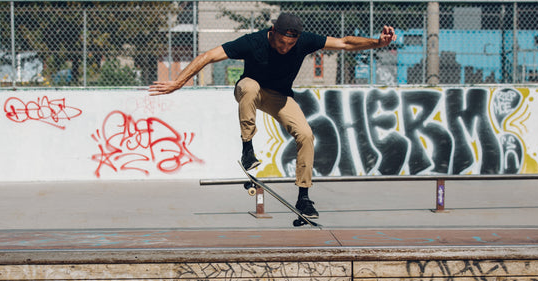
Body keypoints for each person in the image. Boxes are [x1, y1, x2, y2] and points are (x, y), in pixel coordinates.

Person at [149, 12, 396, 219]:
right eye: (281, 42)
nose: (285, 48)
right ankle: (248, 149)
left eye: (290, 45)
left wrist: (378, 43)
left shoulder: (304, 41)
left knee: (306, 135)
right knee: (249, 86)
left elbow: (344, 43)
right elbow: (208, 56)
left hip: (280, 97)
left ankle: (304, 197)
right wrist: (178, 82)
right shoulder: (253, 42)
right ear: (272, 31)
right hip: (251, 91)